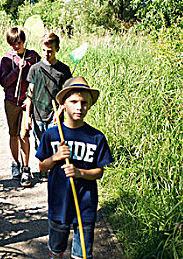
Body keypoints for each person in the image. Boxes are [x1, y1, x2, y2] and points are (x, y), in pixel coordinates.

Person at [35, 76, 113, 259]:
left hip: (86, 203)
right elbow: (41, 166)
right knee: (56, 249)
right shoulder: (51, 135)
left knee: (83, 254)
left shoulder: (96, 137)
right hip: (59, 202)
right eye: (74, 102)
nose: (79, 107)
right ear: (63, 104)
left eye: (84, 103)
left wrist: (80, 173)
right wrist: (55, 157)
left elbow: (99, 172)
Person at [24, 33, 72, 179]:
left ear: (57, 49)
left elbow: (67, 94)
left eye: (50, 51)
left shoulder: (63, 69)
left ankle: (54, 171)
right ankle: (42, 169)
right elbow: (29, 94)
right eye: (44, 50)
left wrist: (61, 111)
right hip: (38, 113)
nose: (46, 54)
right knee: (39, 143)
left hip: (55, 114)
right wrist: (27, 116)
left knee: (55, 143)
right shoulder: (35, 68)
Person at [0, 27, 40, 187]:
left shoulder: (33, 56)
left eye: (19, 42)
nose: (16, 46)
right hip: (11, 101)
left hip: (26, 102)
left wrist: (31, 97)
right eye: (13, 44)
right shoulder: (7, 59)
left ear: (24, 40)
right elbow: (4, 82)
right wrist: (17, 69)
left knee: (24, 135)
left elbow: (36, 78)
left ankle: (26, 167)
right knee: (13, 134)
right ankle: (15, 163)